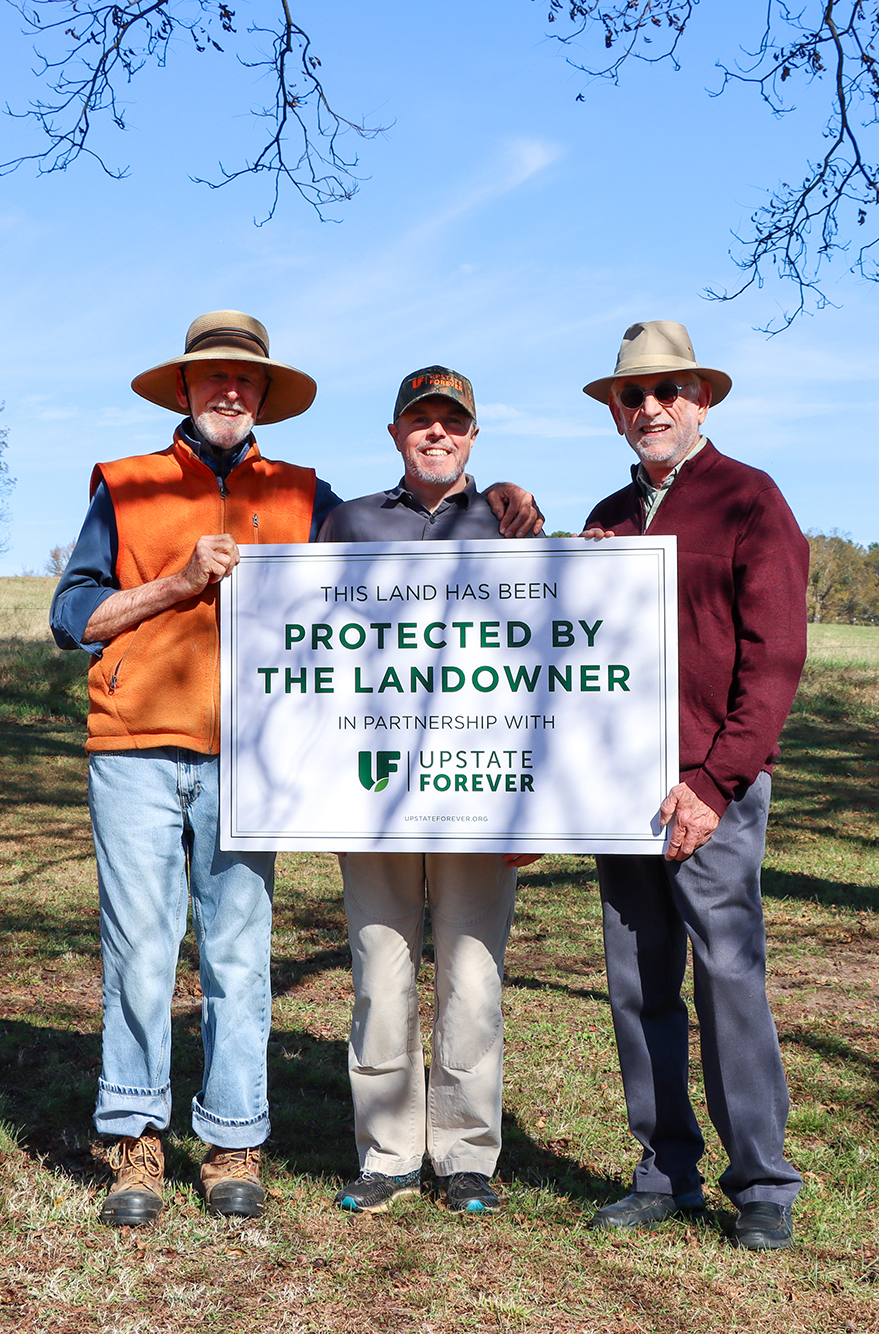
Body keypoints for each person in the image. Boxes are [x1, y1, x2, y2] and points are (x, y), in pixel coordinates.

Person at [48, 314, 541, 1228]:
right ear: (185, 390)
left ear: (264, 395)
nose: (230, 391)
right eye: (212, 378)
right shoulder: (126, 485)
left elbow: (382, 594)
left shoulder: (307, 497)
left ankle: (235, 1138)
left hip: (254, 761)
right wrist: (176, 584)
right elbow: (72, 613)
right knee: (140, 952)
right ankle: (135, 1140)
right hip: (135, 747)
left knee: (240, 955)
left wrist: (502, 502)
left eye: (246, 380)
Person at [577, 320, 809, 1251]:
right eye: (633, 396)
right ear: (616, 413)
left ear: (700, 400)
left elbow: (776, 661)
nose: (651, 407)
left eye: (668, 391)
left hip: (711, 788)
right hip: (619, 789)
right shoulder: (609, 515)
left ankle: (761, 1182)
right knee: (638, 984)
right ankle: (664, 1168)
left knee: (726, 978)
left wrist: (715, 780)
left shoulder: (750, 501)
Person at [317, 366, 542, 1216]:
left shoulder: (511, 519)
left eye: (454, 421)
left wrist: (536, 803)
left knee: (473, 976)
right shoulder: (350, 522)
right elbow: (311, 650)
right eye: (422, 421)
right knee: (381, 970)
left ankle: (465, 1152)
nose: (437, 433)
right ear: (396, 434)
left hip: (480, 790)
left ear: (475, 434)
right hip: (371, 787)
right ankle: (387, 1151)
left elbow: (543, 656)